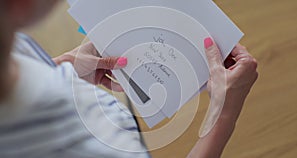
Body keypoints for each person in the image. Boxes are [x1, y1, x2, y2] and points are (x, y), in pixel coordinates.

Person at [0, 0, 258, 158]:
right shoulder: (96, 148)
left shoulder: (13, 40)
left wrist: (62, 69)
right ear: (23, 5)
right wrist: (223, 114)